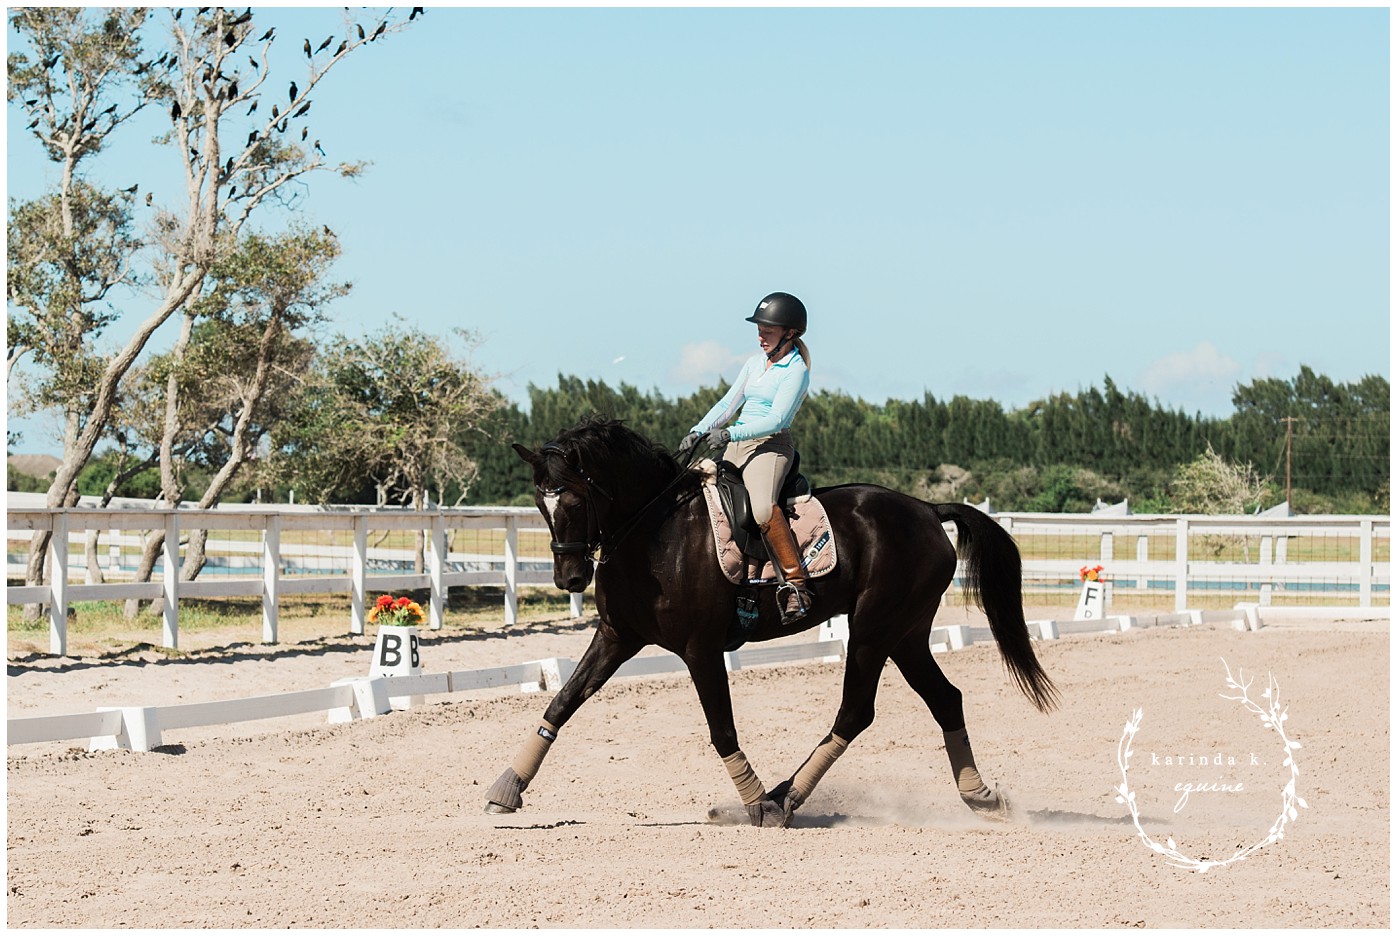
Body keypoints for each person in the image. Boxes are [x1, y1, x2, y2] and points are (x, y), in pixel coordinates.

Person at [678, 291, 813, 624]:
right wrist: (699, 430)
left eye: (768, 329)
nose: (760, 334)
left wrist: (730, 434)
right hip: (736, 442)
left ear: (789, 333)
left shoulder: (795, 371)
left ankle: (796, 584)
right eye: (760, 328)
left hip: (770, 446)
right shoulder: (754, 363)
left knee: (763, 508)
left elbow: (778, 419)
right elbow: (728, 404)